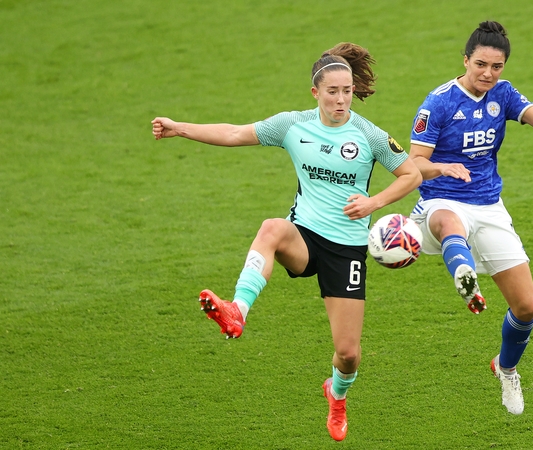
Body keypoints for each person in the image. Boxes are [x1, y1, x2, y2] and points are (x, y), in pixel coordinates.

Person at [151, 42, 422, 441]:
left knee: (347, 354)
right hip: (305, 235)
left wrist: (373, 203)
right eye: (333, 92)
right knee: (271, 228)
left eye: (347, 91)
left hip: (346, 248)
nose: (341, 100)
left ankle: (337, 394)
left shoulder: (368, 134)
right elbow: (232, 133)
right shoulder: (293, 125)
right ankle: (237, 310)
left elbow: (411, 174)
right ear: (316, 92)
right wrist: (179, 128)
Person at [407, 21, 533, 415]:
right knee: (450, 223)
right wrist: (443, 168)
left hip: (489, 207)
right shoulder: (439, 102)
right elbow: (413, 164)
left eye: (496, 67)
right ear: (465, 60)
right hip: (440, 201)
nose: (487, 74)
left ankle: (506, 368)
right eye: (481, 64)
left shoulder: (504, 94)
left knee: (527, 307)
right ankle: (465, 277)